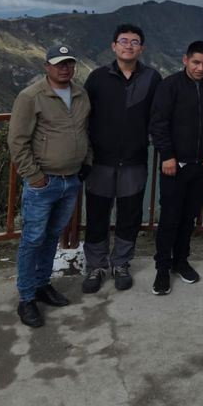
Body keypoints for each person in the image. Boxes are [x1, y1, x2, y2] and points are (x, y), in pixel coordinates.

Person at [8, 44, 91, 328]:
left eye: (68, 63)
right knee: (32, 238)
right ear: (47, 67)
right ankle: (27, 297)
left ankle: (43, 284)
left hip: (71, 179)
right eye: (58, 64)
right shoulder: (30, 96)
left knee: (52, 235)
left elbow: (84, 132)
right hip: (44, 182)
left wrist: (86, 163)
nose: (64, 68)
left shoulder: (81, 94)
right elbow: (17, 141)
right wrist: (34, 176)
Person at [81, 24, 161, 294]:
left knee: (130, 214)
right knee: (96, 214)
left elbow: (159, 117)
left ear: (142, 48)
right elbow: (83, 117)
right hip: (100, 161)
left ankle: (121, 263)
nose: (129, 46)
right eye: (123, 41)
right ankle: (95, 266)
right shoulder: (97, 78)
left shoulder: (152, 78)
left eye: (134, 42)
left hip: (134, 160)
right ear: (113, 46)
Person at [148, 40, 203, 295]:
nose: (201, 68)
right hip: (174, 165)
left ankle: (181, 260)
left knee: (189, 217)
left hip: (202, 165)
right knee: (169, 217)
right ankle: (162, 267)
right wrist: (167, 156)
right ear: (185, 60)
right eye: (196, 62)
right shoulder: (169, 86)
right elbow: (158, 123)